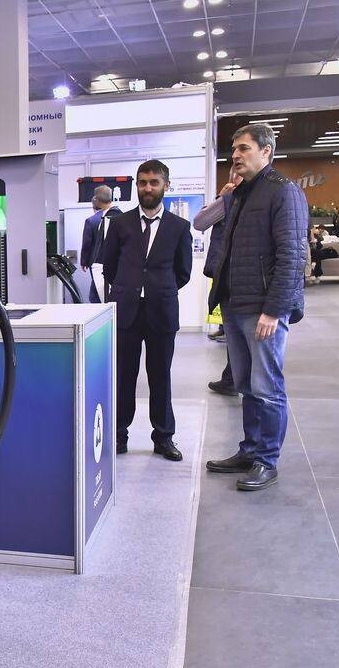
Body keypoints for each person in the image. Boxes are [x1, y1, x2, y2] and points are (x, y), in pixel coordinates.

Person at [205, 122, 307, 492]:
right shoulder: (241, 193)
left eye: (244, 148)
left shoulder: (283, 191)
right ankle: (249, 450)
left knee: (267, 387)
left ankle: (267, 460)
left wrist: (274, 310)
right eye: (234, 149)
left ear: (266, 151)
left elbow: (292, 256)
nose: (235, 155)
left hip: (263, 309)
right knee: (246, 385)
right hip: (235, 304)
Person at [101, 159, 193, 462]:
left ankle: (163, 437)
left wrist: (158, 288)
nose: (148, 188)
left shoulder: (179, 227)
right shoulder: (120, 224)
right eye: (142, 183)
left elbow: (183, 272)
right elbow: (110, 267)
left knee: (160, 376)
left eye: (154, 182)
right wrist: (129, 287)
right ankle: (118, 434)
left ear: (166, 185)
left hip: (161, 311)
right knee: (123, 376)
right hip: (126, 310)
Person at [193, 173, 241, 396]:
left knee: (237, 333)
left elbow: (200, 221)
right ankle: (233, 378)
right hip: (239, 276)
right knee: (236, 333)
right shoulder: (232, 200)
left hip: (233, 275)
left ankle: (236, 380)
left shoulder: (229, 200)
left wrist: (221, 198)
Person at [80, 185, 122, 302]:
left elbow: (87, 243)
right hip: (118, 265)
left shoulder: (94, 220)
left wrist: (84, 261)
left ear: (97, 200)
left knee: (97, 296)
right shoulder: (123, 216)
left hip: (99, 265)